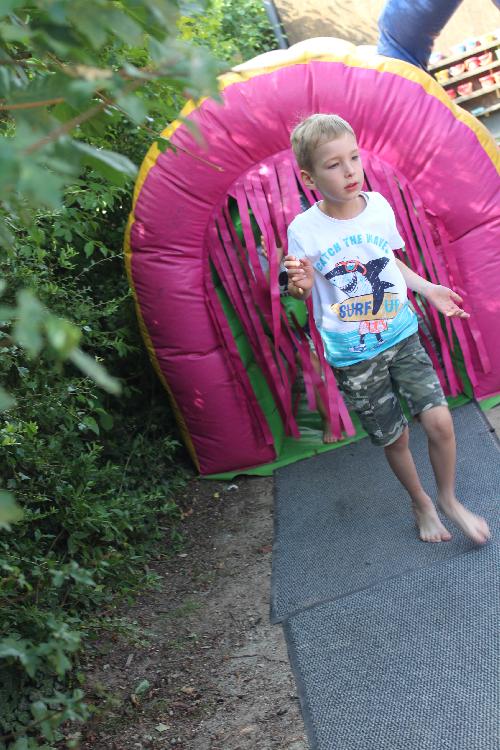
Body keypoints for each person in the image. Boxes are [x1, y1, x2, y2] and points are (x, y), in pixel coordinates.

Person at [284, 113, 490, 545]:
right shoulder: (304, 230)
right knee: (395, 438)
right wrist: (297, 285)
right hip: (355, 355)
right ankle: (421, 502)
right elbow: (302, 290)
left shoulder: (378, 206)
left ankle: (448, 498)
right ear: (309, 177)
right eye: (334, 164)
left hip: (402, 335)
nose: (349, 170)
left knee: (440, 421)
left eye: (354, 157)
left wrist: (427, 288)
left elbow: (387, 261)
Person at [259, 236, 335, 442]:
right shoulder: (258, 253)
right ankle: (328, 420)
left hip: (317, 311)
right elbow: (263, 289)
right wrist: (274, 262)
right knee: (311, 365)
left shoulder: (300, 237)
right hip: (289, 322)